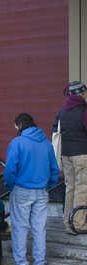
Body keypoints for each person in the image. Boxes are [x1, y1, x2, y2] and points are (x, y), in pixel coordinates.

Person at [5, 113, 60, 265]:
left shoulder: (17, 142)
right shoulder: (47, 144)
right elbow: (54, 170)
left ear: (19, 125)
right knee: (39, 228)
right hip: (42, 192)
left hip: (21, 190)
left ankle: (22, 264)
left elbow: (10, 169)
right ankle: (40, 264)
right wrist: (47, 185)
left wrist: (10, 185)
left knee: (20, 228)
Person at [53, 81, 87, 234]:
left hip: (66, 155)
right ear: (81, 94)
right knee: (82, 188)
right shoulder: (84, 110)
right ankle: (78, 224)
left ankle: (68, 223)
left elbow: (55, 131)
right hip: (82, 154)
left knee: (70, 188)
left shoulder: (62, 112)